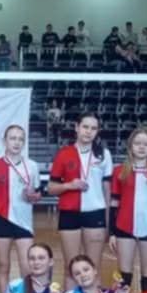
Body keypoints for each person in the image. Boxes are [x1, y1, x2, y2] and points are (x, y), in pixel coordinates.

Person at [48, 113, 113, 271]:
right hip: (69, 213)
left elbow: (107, 191)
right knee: (71, 267)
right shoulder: (63, 154)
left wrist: (107, 222)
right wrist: (69, 186)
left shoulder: (104, 155)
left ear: (97, 131)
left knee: (93, 267)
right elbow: (51, 188)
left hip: (95, 214)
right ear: (77, 127)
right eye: (85, 127)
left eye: (93, 128)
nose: (89, 131)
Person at [110, 126, 147, 293]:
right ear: (130, 146)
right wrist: (112, 233)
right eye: (137, 143)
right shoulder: (120, 171)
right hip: (124, 227)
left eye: (146, 144)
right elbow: (114, 203)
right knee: (124, 277)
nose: (141, 147)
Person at [0, 125, 39, 292]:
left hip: (24, 222)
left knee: (27, 268)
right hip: (2, 220)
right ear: (5, 141)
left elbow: (37, 195)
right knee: (3, 266)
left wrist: (32, 196)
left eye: (20, 139)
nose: (16, 142)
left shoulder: (32, 166)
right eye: (13, 138)